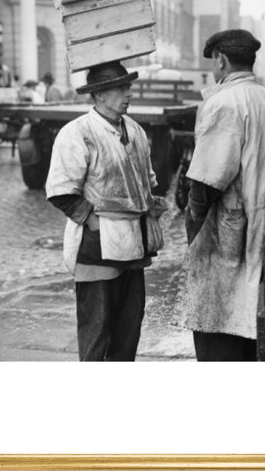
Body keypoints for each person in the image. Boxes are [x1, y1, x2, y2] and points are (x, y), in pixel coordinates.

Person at [45, 61, 167, 361]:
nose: (129, 93)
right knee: (98, 327)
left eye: (129, 86)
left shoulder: (135, 131)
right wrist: (93, 221)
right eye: (121, 87)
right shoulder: (78, 133)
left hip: (134, 245)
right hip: (96, 246)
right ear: (98, 95)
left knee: (129, 326)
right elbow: (61, 191)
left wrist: (151, 202)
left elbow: (146, 180)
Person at [174, 29, 265, 361]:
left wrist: (194, 230)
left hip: (229, 230)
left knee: (217, 323)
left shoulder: (223, 101)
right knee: (250, 320)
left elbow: (207, 179)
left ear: (219, 59)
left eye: (213, 63)